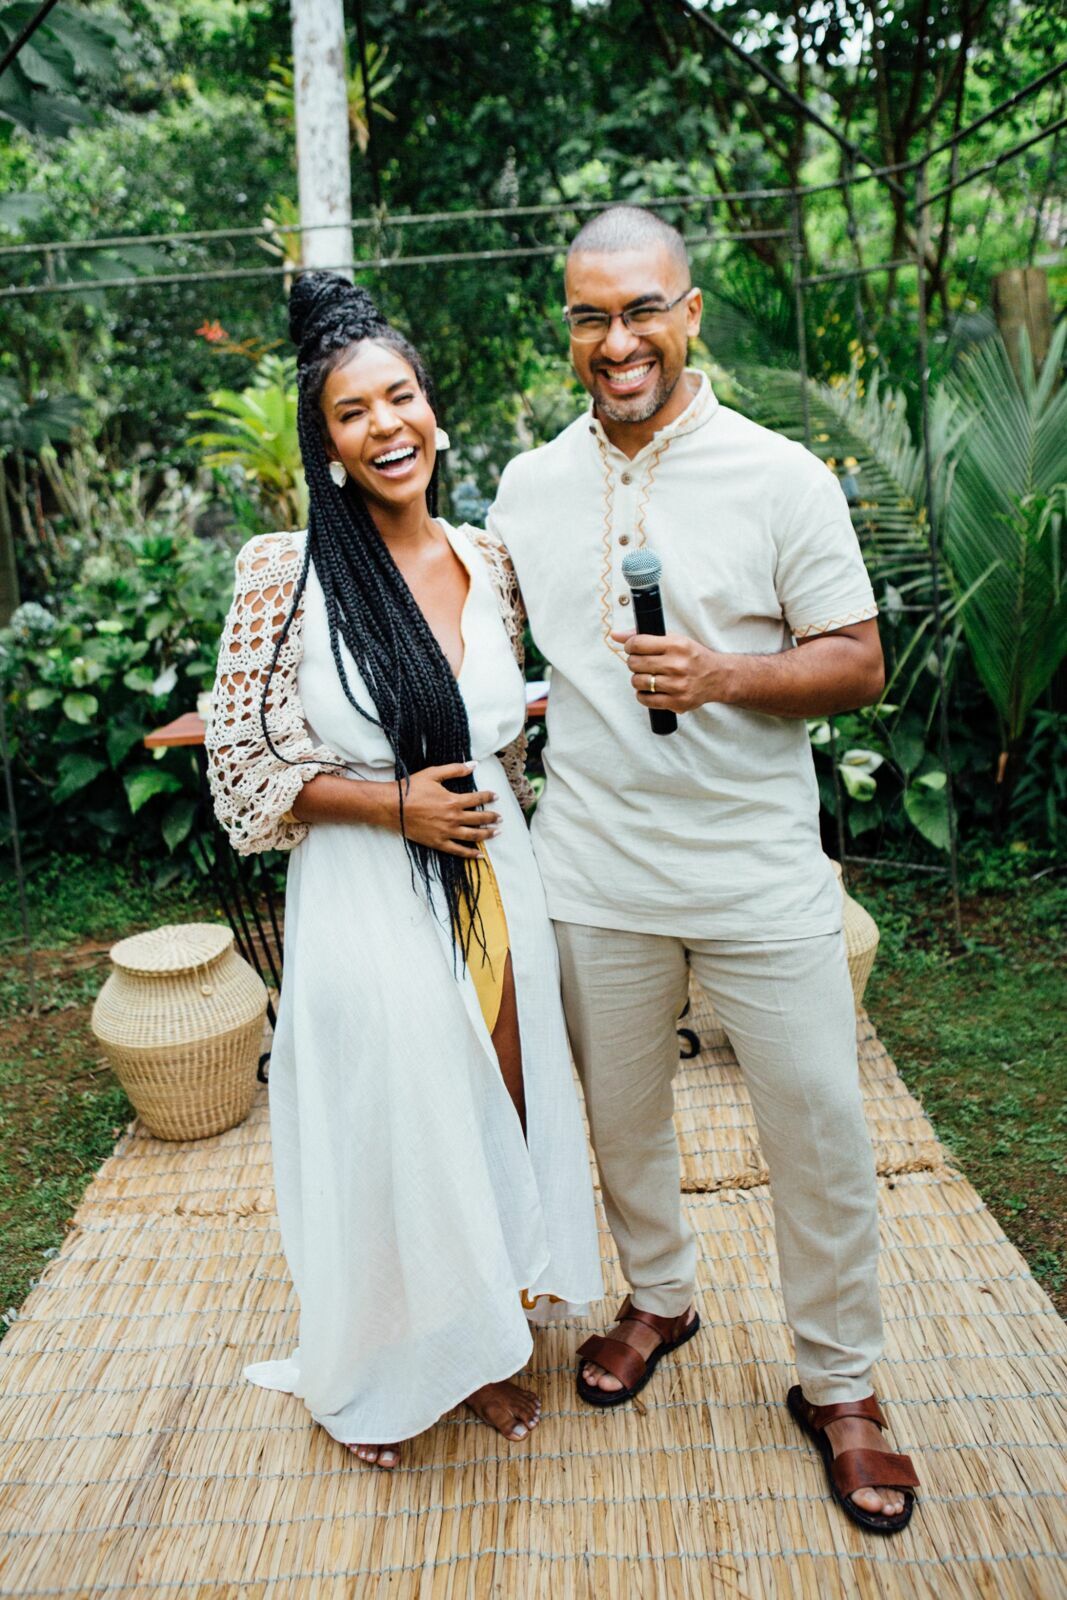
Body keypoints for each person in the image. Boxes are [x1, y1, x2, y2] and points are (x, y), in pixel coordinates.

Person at [487, 205, 919, 1534]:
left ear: (688, 315)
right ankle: (658, 1298)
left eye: (638, 311)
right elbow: (477, 640)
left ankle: (837, 1385)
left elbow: (857, 661)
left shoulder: (778, 475)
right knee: (618, 1121)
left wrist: (726, 672)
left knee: (819, 1132)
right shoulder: (526, 486)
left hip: (754, 870)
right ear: (567, 327)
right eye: (586, 316)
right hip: (594, 870)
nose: (613, 341)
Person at [206, 272, 602, 1470]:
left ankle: (479, 1338)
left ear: (433, 410)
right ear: (325, 444)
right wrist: (390, 804)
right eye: (352, 412)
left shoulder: (486, 557)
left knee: (499, 1100)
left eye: (402, 397)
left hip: (490, 882)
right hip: (368, 889)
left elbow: (507, 725)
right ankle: (379, 1366)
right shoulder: (287, 572)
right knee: (394, 1121)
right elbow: (243, 758)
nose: (387, 427)